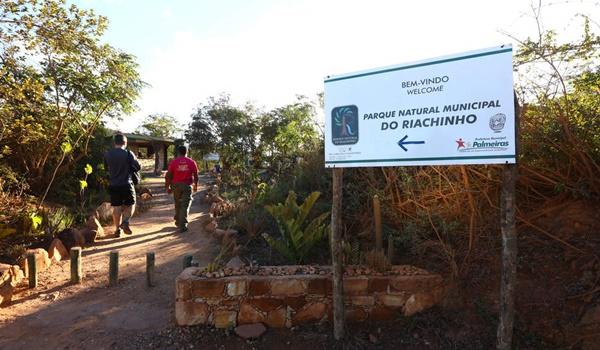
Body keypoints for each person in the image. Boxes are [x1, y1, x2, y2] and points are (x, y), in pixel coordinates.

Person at [103, 134, 141, 237]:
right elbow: (138, 167)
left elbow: (106, 169)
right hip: (127, 183)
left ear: (114, 143)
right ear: (125, 143)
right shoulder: (129, 153)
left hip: (113, 184)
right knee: (132, 204)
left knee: (116, 207)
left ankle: (117, 230)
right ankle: (125, 222)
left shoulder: (107, 154)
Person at [166, 145, 199, 232]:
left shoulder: (174, 162)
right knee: (185, 205)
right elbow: (196, 175)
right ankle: (182, 225)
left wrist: (168, 186)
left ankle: (178, 221)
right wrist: (196, 185)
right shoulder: (191, 162)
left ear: (178, 152)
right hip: (187, 186)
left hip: (176, 186)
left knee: (177, 204)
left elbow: (168, 175)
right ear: (186, 152)